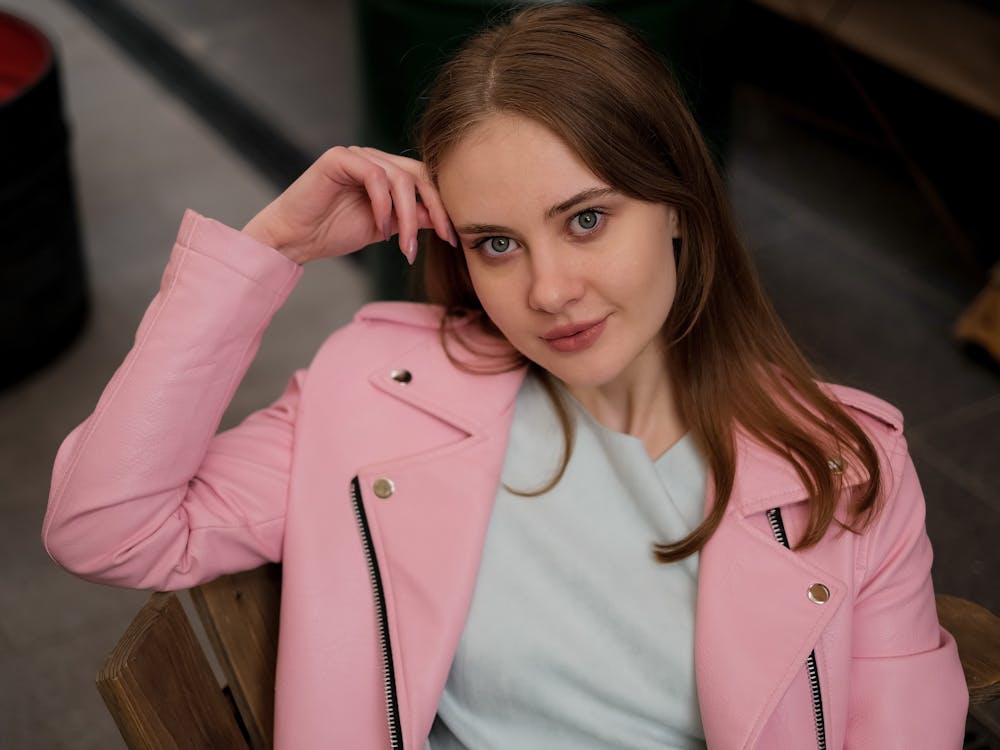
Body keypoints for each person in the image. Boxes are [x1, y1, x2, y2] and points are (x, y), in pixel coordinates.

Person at [42, 5, 967, 749]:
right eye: (497, 243)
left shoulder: (844, 471)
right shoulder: (374, 391)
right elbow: (107, 530)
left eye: (587, 219)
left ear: (679, 207)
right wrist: (268, 251)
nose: (551, 291)